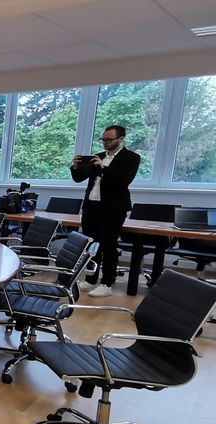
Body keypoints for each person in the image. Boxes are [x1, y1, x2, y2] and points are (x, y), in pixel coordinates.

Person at [72, 124, 141, 298]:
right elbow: (79, 178)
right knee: (91, 245)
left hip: (113, 208)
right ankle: (90, 279)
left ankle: (107, 282)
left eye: (109, 140)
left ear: (121, 139)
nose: (105, 142)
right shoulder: (99, 156)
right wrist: (75, 167)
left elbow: (123, 180)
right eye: (103, 139)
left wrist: (103, 167)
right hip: (91, 206)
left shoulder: (131, 158)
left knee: (109, 245)